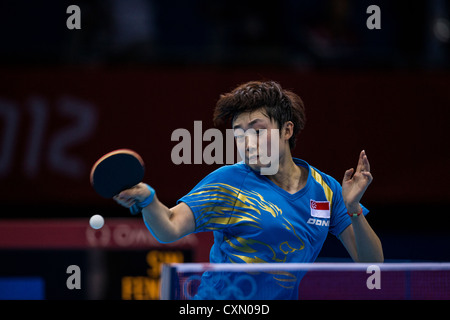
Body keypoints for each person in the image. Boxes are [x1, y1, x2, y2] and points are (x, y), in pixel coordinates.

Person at [114, 80, 383, 299]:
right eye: (239, 133)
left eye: (257, 130)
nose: (247, 142)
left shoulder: (327, 190)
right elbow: (169, 227)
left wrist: (353, 210)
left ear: (287, 130)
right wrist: (149, 200)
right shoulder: (228, 183)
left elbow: (371, 264)